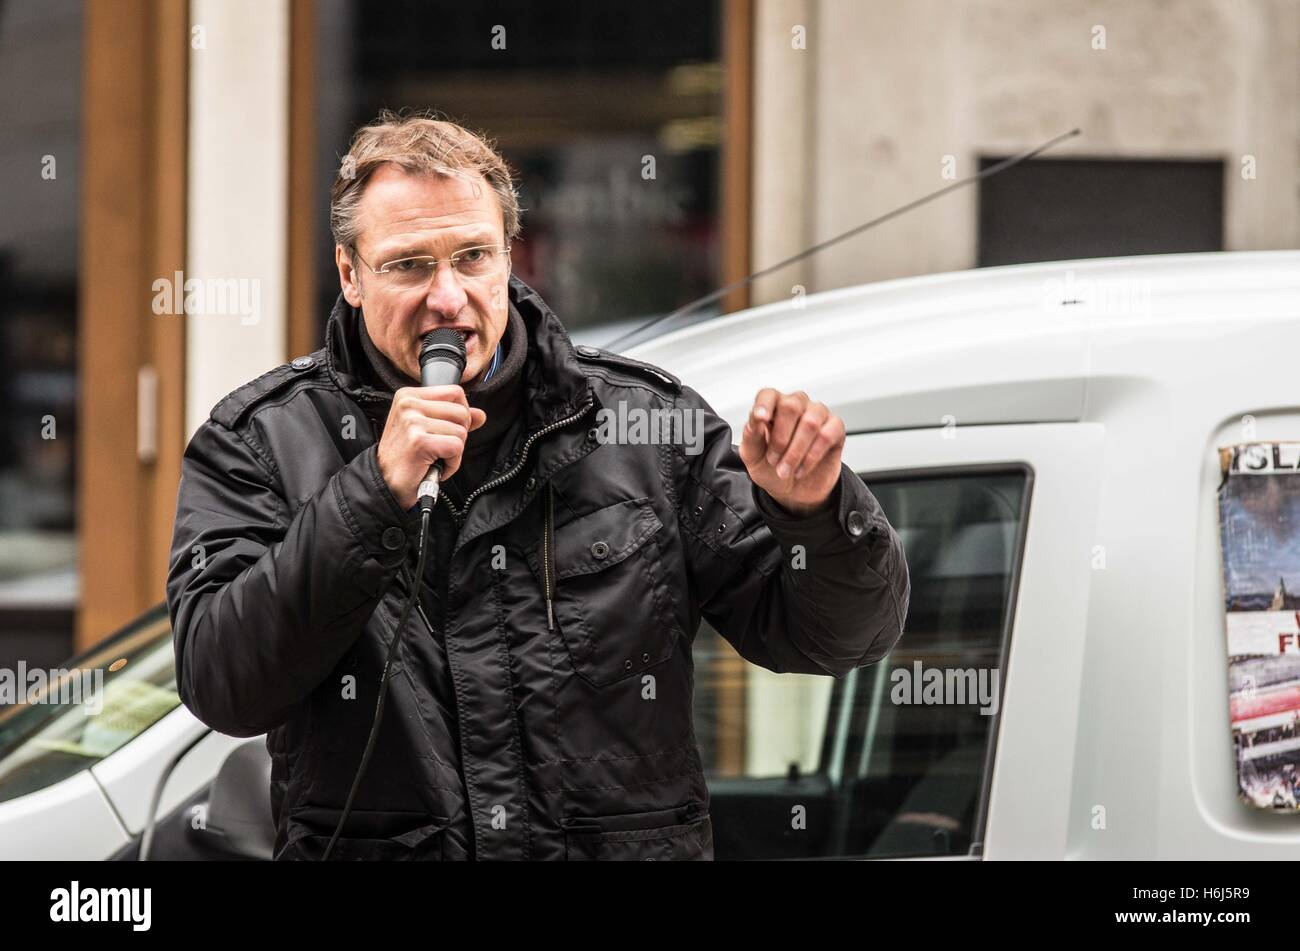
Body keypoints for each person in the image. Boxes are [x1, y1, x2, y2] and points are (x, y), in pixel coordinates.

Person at [165, 110, 910, 860]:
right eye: (409, 265)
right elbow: (223, 680)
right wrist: (371, 495)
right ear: (351, 273)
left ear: (509, 259)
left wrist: (813, 512)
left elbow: (837, 637)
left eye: (472, 257)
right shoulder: (260, 441)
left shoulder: (642, 426)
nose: (448, 298)